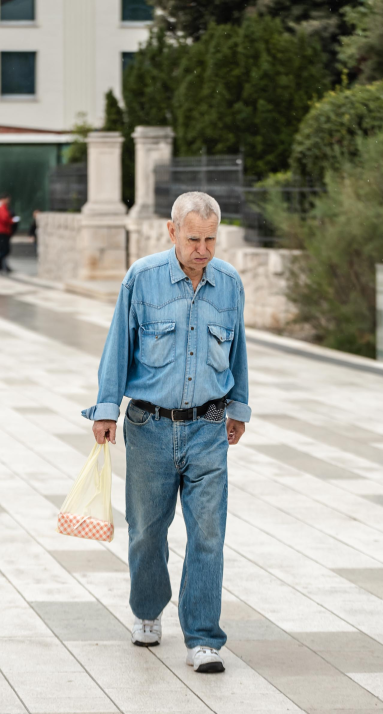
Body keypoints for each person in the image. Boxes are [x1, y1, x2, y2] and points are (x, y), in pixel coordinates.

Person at [82, 191, 250, 674]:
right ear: (172, 232)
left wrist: (239, 406)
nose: (203, 249)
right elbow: (119, 343)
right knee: (146, 532)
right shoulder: (143, 278)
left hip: (209, 427)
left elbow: (239, 349)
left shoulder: (229, 283)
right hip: (149, 427)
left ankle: (202, 638)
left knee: (209, 535)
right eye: (194, 238)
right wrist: (106, 409)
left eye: (211, 239)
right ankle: (148, 612)